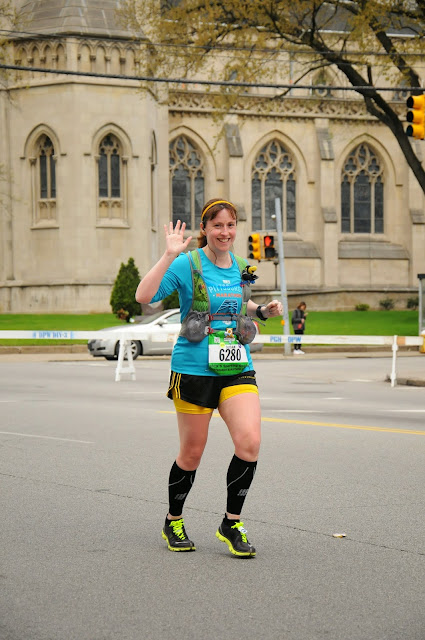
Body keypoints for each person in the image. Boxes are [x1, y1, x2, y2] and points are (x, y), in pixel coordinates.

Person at [135, 198, 283, 558]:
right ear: (205, 229)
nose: (225, 232)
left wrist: (262, 311)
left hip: (237, 367)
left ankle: (231, 522)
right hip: (193, 370)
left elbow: (238, 303)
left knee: (249, 442)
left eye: (230, 225)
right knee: (192, 453)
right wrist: (169, 254)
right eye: (217, 225)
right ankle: (173, 520)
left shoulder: (243, 268)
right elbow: (145, 297)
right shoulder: (187, 263)